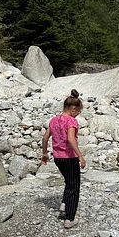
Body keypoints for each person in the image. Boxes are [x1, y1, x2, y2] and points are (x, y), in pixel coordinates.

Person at [41, 89, 86, 228]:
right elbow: (71, 139)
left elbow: (45, 137)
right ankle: (70, 219)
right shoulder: (71, 121)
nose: (78, 114)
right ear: (73, 108)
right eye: (78, 111)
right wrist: (80, 156)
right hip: (69, 157)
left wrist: (44, 154)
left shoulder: (54, 120)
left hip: (57, 158)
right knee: (74, 185)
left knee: (68, 180)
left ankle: (64, 204)